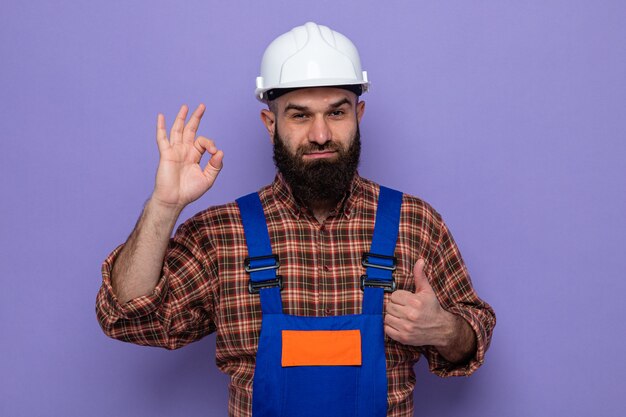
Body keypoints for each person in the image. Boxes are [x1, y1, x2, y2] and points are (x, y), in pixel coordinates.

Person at [96, 22, 495, 417]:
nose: (320, 134)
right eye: (300, 116)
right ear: (271, 125)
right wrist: (164, 205)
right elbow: (127, 317)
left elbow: (472, 333)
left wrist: (445, 329)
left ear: (359, 114)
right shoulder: (221, 234)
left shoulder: (414, 222)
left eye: (336, 112)